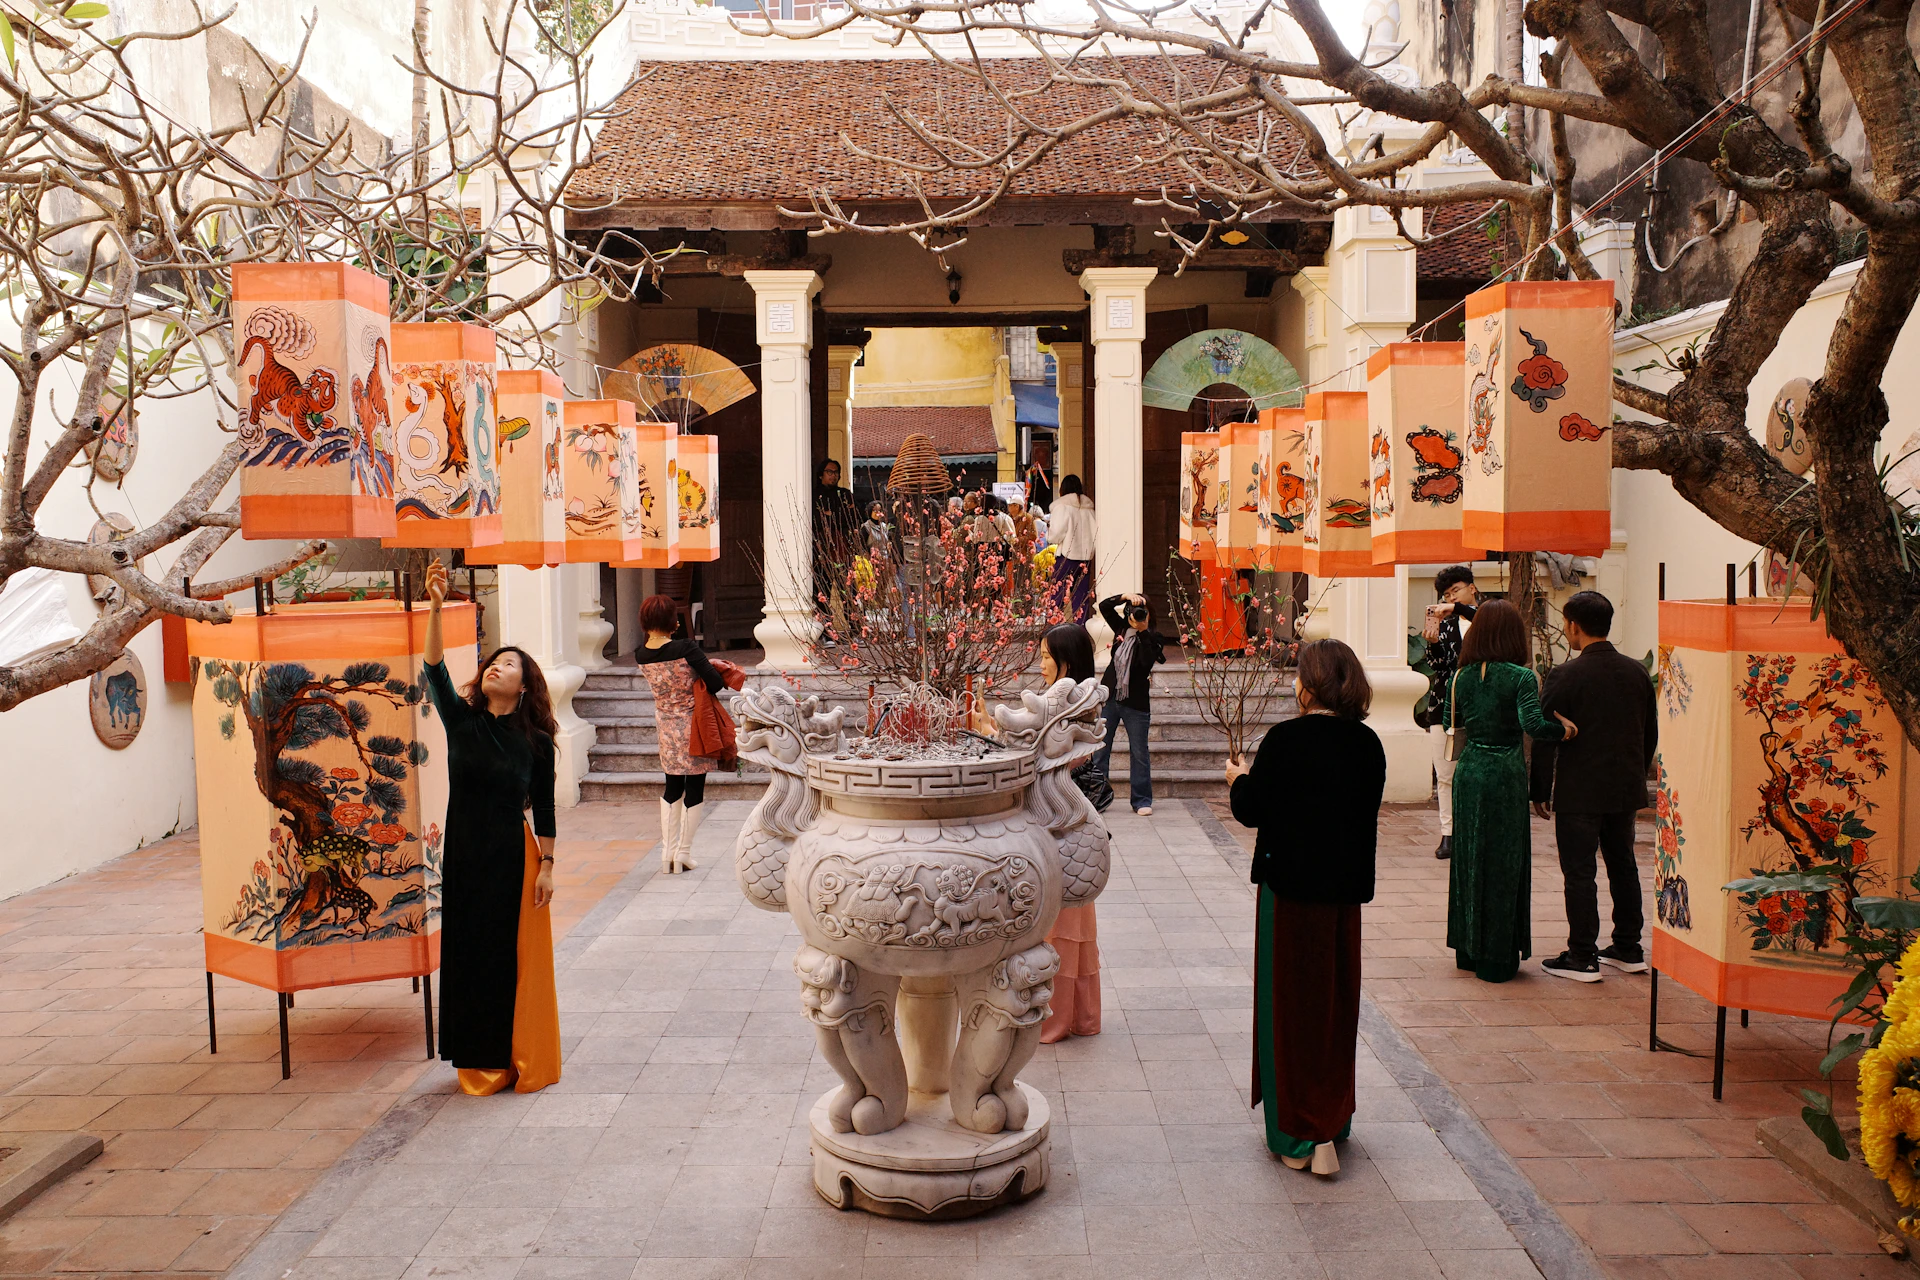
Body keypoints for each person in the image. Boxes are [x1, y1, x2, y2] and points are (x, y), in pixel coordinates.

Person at [1224, 639, 1384, 1175]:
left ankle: (1298, 1136)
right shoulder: (1368, 744)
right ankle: (1329, 1127)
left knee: (1289, 1010)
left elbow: (1253, 809)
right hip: (1341, 898)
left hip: (1288, 894)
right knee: (1334, 1007)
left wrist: (1238, 780)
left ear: (1310, 685)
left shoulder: (1286, 740)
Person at [421, 558, 561, 1097]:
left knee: (507, 958)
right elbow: (433, 667)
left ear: (525, 686)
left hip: (511, 857)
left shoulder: (536, 742)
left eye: (508, 664)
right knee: (470, 953)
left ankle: (514, 1057)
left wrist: (547, 866)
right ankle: (479, 1062)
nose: (496, 668)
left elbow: (544, 808)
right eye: (493, 662)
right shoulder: (463, 722)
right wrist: (436, 608)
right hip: (463, 855)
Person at [973, 622, 1106, 1040]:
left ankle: (1055, 1018)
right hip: (1059, 824)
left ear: (1066, 660)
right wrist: (991, 730)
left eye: (1047, 657)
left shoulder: (1070, 704)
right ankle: (1078, 1014)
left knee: (1058, 925)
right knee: (1067, 924)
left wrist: (991, 733)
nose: (1042, 664)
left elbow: (1036, 759)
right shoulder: (1065, 700)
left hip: (1058, 827)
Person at [1445, 600, 1577, 984]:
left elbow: (1453, 721)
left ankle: (1468, 951)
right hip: (1504, 774)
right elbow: (1533, 725)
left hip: (1469, 772)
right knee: (1503, 864)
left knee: (1469, 858)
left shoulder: (1461, 676)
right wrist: (1565, 731)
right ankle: (1496, 960)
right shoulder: (1521, 677)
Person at [1530, 591, 1658, 982]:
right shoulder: (1636, 672)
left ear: (1573, 625)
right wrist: (1636, 774)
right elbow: (1649, 733)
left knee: (1580, 872)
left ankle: (1582, 955)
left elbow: (1545, 733)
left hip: (1580, 790)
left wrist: (1539, 789)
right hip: (1624, 788)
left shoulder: (1565, 675)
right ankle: (1628, 947)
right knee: (1623, 865)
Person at [636, 594, 728, 875]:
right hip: (694, 726)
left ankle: (667, 854)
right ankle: (684, 854)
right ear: (671, 621)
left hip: (666, 727)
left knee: (672, 787)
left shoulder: (641, 654)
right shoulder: (686, 647)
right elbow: (716, 683)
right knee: (695, 787)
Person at [1422, 566, 1480, 862]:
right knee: (1445, 774)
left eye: (1455, 591)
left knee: (1479, 773)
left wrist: (1456, 608)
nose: (1450, 598)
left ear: (1472, 587)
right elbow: (1438, 665)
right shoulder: (1445, 625)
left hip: (1482, 706)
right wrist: (1433, 643)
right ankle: (1449, 833)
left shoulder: (1489, 617)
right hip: (1444, 705)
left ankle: (1477, 832)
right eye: (1446, 595)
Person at [1095, 591, 1167, 816]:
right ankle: (1097, 798)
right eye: (1135, 611)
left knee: (1139, 753)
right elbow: (1104, 606)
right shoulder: (1120, 629)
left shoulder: (1154, 638)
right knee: (1100, 749)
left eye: (1142, 611)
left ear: (1149, 614)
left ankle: (1142, 800)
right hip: (1110, 698)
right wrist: (1123, 597)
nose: (1137, 615)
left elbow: (1145, 663)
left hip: (1135, 703)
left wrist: (1143, 631)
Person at [812, 459, 860, 635]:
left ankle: (855, 629)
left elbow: (853, 518)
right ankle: (826, 632)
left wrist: (831, 515)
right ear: (821, 474)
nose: (833, 476)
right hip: (821, 547)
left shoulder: (844, 494)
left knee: (847, 588)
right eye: (829, 472)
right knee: (822, 589)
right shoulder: (814, 494)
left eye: (836, 472)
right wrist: (833, 516)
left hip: (842, 546)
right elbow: (816, 520)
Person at [1048, 475, 1096, 622]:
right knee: (1081, 598)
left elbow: (1055, 535)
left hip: (1066, 556)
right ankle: (1080, 628)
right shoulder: (1089, 509)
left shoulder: (1062, 507)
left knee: (1057, 595)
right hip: (1085, 558)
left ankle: (1053, 628)